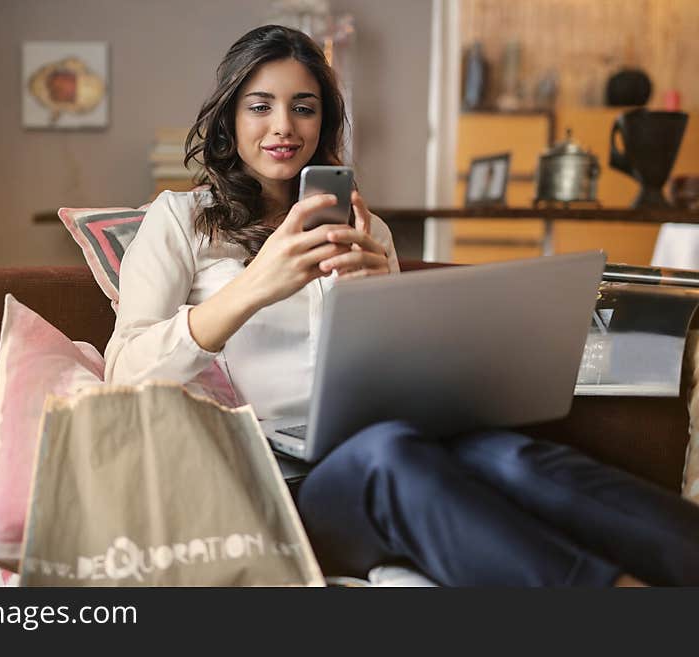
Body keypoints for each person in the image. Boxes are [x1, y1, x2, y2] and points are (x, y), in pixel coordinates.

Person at [105, 24, 699, 586]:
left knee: (512, 456)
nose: (283, 125)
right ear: (231, 118)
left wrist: (377, 294)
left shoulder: (365, 228)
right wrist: (258, 283)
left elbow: (407, 375)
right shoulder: (179, 221)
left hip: (403, 441)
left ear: (324, 122)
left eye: (304, 107)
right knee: (390, 456)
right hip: (285, 486)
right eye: (260, 106)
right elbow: (124, 371)